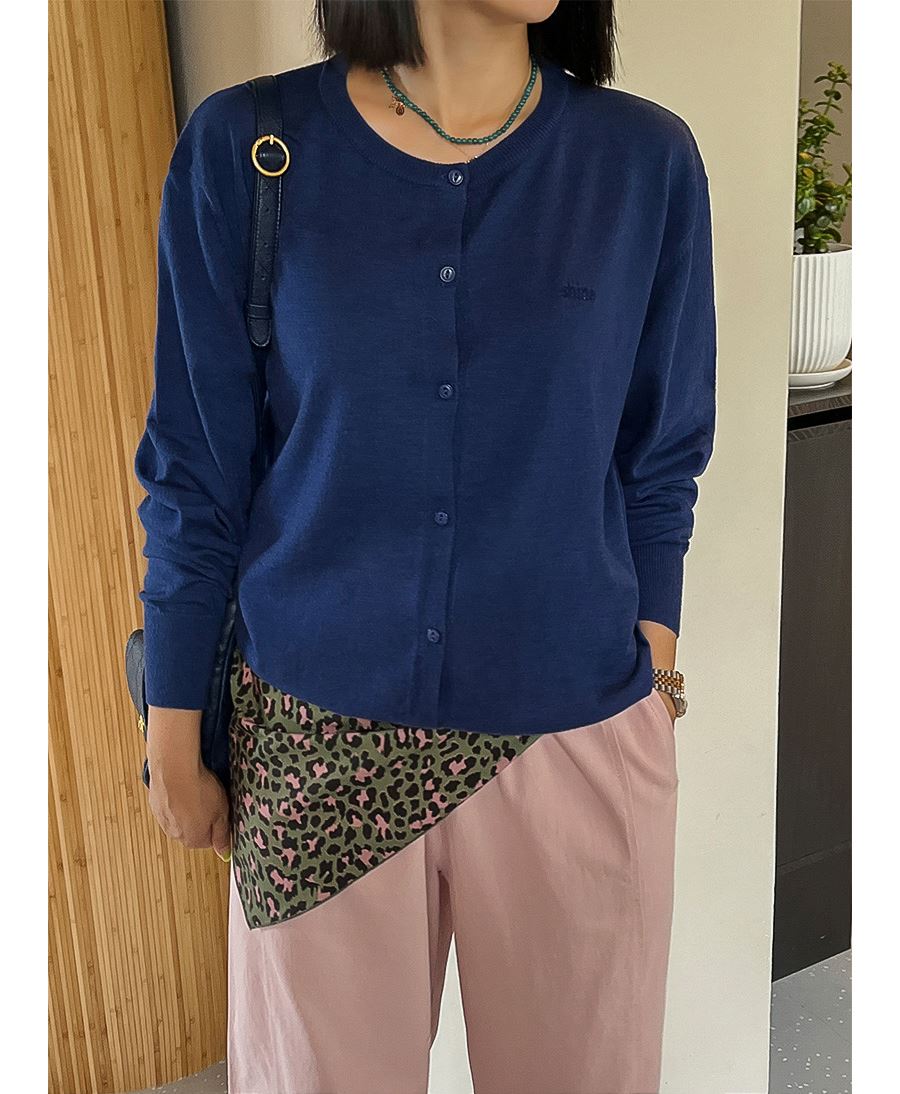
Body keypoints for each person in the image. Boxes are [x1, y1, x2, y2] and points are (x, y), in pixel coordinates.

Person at [133, 1, 717, 1091]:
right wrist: (173, 722)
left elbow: (660, 449)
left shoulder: (643, 162)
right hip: (315, 739)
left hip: (573, 731)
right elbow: (196, 464)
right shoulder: (250, 150)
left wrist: (656, 658)